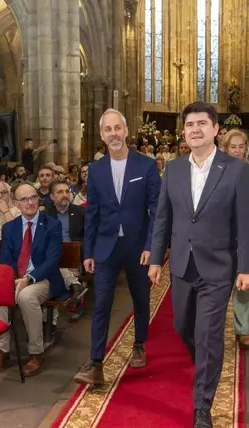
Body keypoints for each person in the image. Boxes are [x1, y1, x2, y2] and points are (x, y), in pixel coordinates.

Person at [148, 102, 249, 428]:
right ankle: (208, 363)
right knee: (183, 327)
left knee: (207, 333)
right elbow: (163, 219)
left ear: (215, 129)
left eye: (202, 124)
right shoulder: (174, 169)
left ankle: (201, 408)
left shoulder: (235, 170)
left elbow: (244, 224)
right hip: (182, 264)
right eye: (190, 124)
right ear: (183, 132)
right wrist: (156, 260)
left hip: (219, 265)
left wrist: (247, 267)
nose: (195, 129)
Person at [73, 108, 161, 386]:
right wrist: (88, 252)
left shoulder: (145, 166)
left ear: (126, 131)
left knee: (140, 298)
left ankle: (139, 343)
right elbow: (92, 214)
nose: (113, 134)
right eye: (108, 129)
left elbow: (156, 210)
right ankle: (96, 362)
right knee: (101, 304)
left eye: (117, 128)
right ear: (102, 135)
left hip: (137, 247)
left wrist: (152, 246)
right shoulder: (96, 170)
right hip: (106, 246)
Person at [0, 182, 65, 376]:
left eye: (33, 197)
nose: (30, 202)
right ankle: (2, 350)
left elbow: (52, 260)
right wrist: (13, 279)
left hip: (43, 278)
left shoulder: (52, 224)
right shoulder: (10, 228)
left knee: (26, 297)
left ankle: (36, 352)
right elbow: (6, 259)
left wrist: (29, 278)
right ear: (16, 203)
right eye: (24, 199)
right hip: (16, 278)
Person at [221, 129, 249, 349]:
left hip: (246, 233)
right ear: (225, 148)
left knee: (244, 285)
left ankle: (244, 328)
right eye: (233, 146)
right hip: (223, 235)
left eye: (241, 146)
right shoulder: (217, 170)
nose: (237, 151)